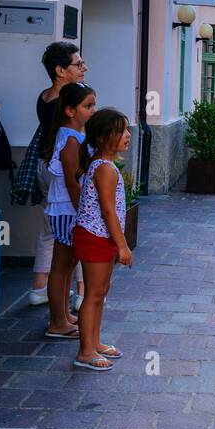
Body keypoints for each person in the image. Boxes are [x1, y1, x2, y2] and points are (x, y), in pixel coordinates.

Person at [26, 43, 87, 307]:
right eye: (78, 64)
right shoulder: (69, 102)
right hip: (64, 169)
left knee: (50, 229)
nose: (84, 68)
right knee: (82, 226)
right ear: (60, 70)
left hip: (44, 165)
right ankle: (83, 292)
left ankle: (39, 288)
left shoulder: (44, 97)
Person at [72, 108, 133, 372]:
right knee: (93, 295)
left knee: (100, 293)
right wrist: (122, 245)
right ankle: (85, 352)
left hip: (101, 236)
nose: (128, 135)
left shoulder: (104, 165)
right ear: (102, 137)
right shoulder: (105, 169)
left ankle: (94, 342)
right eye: (121, 131)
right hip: (95, 236)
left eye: (127, 130)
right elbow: (108, 211)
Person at [42, 83, 96, 339]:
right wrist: (83, 211)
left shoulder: (74, 136)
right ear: (70, 110)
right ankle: (56, 321)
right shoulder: (70, 140)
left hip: (69, 209)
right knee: (61, 267)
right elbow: (73, 181)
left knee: (68, 263)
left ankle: (63, 314)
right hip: (67, 210)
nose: (92, 111)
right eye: (87, 106)